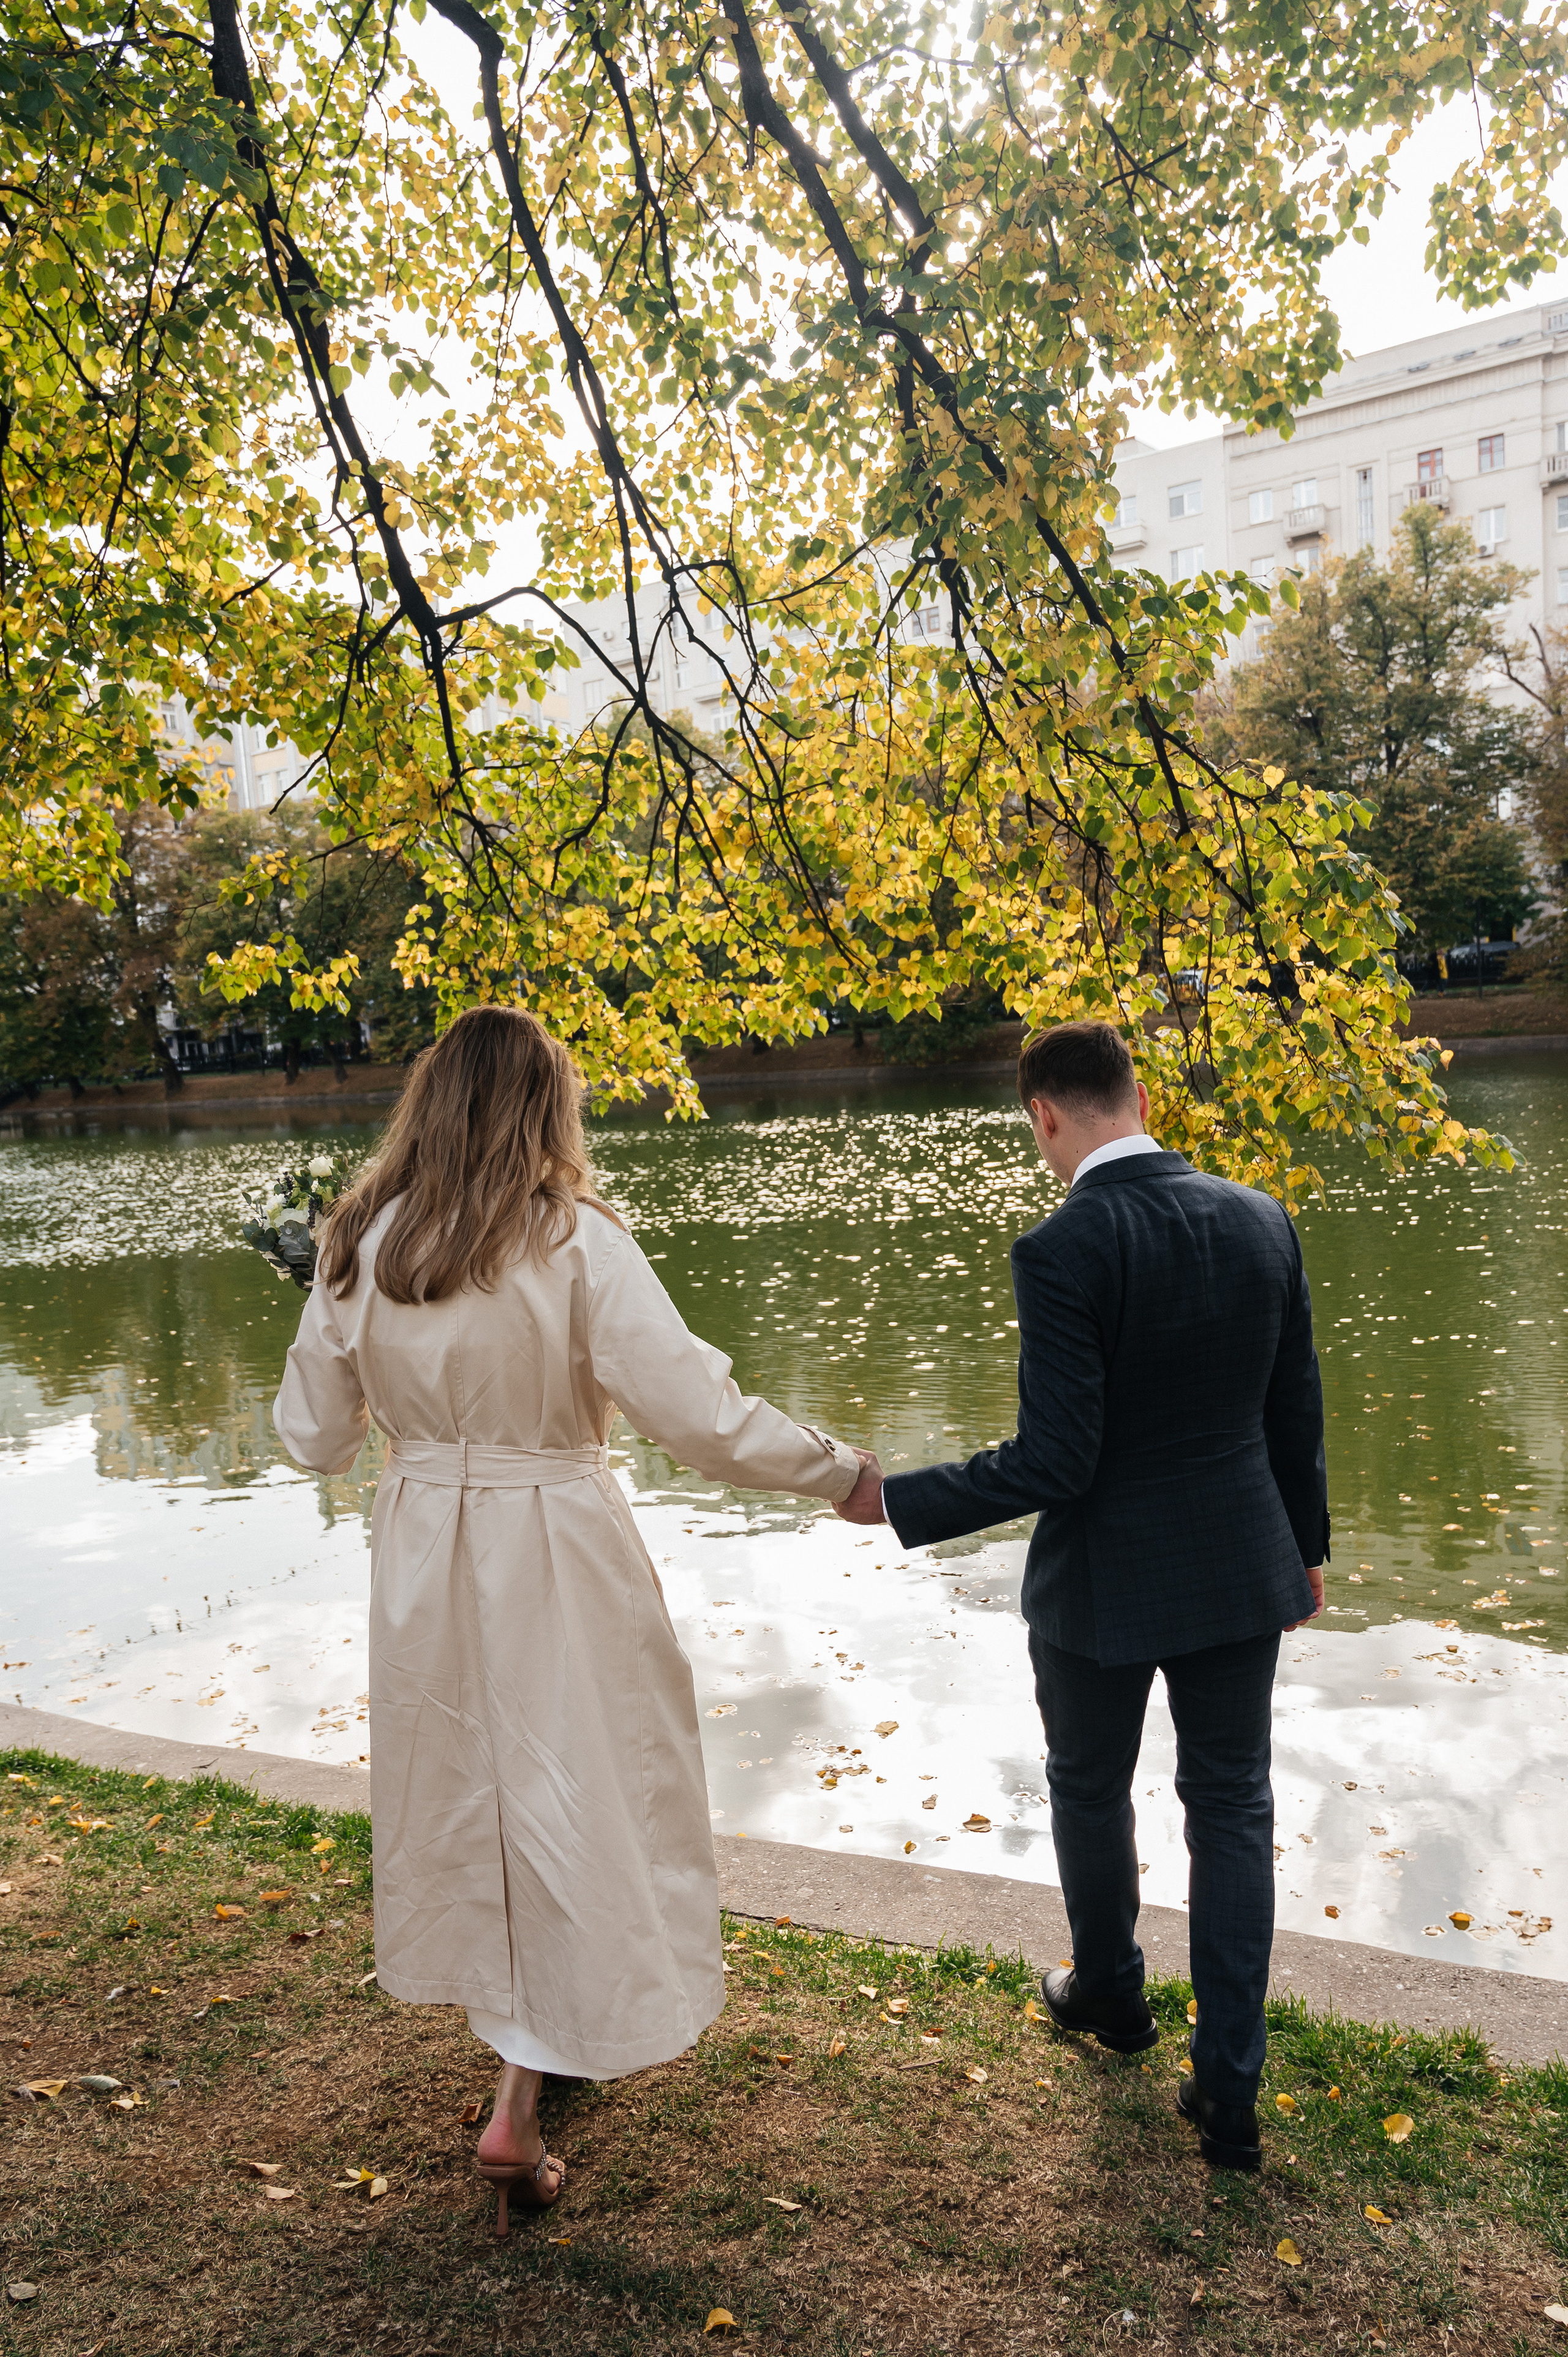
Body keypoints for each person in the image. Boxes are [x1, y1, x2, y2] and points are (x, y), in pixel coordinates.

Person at [273, 1006, 871, 2235]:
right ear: (547, 1108)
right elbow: (696, 1414)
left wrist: (396, 1394)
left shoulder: (360, 1240)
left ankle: (524, 2063)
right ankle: (523, 2088)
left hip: (422, 1546)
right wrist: (835, 1470)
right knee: (578, 1784)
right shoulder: (571, 1238)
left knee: (470, 1789)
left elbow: (312, 1437)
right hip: (552, 1533)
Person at [834, 1020, 1327, 2171]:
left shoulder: (1063, 1247)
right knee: (1234, 1808)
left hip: (1104, 1583)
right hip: (1241, 1564)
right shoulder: (1261, 1217)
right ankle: (1230, 2090)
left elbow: (1058, 1461)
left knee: (1091, 1789)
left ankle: (1109, 1991)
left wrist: (896, 1499)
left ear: (1045, 1115)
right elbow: (1294, 1406)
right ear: (1138, 1096)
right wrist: (1303, 1547)